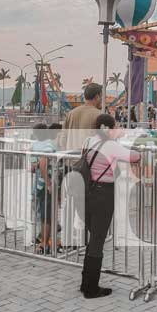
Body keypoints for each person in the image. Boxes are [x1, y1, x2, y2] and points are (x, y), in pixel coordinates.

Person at [79, 114, 140, 299]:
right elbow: (134, 156)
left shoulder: (89, 140)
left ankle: (85, 282)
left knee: (93, 238)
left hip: (88, 192)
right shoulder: (111, 146)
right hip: (103, 194)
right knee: (98, 239)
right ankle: (91, 288)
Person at [30, 123, 61, 254]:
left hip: (39, 183)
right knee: (48, 214)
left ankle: (42, 238)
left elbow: (33, 167)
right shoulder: (51, 144)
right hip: (48, 184)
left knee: (42, 213)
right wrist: (49, 183)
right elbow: (43, 162)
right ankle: (46, 242)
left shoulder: (34, 145)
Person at [59, 83, 103, 151]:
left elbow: (63, 139)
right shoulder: (100, 115)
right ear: (97, 97)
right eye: (101, 96)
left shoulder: (71, 114)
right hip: (88, 159)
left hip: (71, 158)